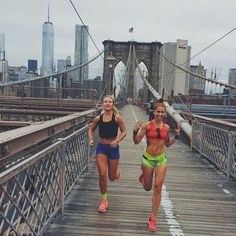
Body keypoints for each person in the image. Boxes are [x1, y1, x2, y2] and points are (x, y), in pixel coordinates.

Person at [132, 99, 180, 232]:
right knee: (147, 188)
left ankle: (153, 218)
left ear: (165, 114)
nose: (160, 114)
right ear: (154, 112)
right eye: (158, 111)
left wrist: (176, 137)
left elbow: (167, 144)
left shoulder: (166, 127)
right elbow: (136, 142)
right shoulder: (147, 125)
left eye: (162, 112)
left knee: (157, 188)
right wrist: (135, 131)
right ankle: (144, 177)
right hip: (147, 159)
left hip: (161, 160)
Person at [88, 95, 127, 213]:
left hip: (113, 148)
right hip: (101, 148)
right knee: (102, 173)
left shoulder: (117, 118)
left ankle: (115, 172)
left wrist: (117, 140)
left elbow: (124, 131)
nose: (107, 103)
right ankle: (104, 200)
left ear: (113, 104)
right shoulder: (98, 118)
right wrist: (91, 139)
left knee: (112, 177)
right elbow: (90, 129)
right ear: (103, 104)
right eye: (105, 102)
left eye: (110, 102)